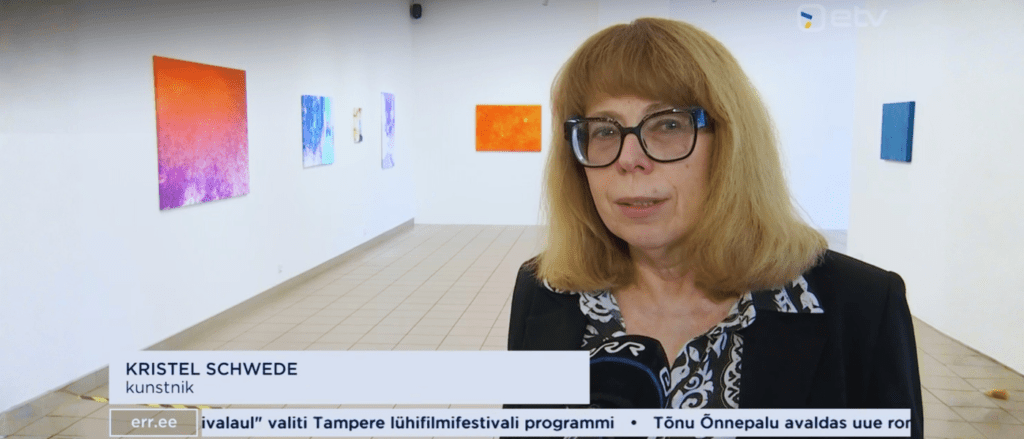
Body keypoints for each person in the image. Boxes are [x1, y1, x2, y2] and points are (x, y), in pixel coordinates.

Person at [506, 17, 923, 438]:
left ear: (730, 144)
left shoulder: (861, 307)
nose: (629, 158)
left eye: (668, 124)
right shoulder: (546, 292)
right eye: (603, 130)